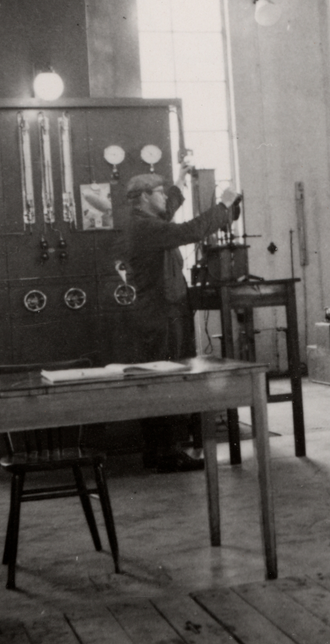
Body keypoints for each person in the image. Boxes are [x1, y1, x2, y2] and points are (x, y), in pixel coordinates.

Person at [125, 172, 241, 470]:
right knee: (166, 380)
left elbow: (169, 210)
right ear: (145, 197)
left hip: (161, 312)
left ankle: (159, 451)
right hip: (162, 314)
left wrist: (180, 180)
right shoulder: (147, 227)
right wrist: (223, 206)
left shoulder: (145, 222)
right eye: (160, 192)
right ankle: (166, 454)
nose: (165, 197)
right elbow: (189, 231)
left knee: (160, 379)